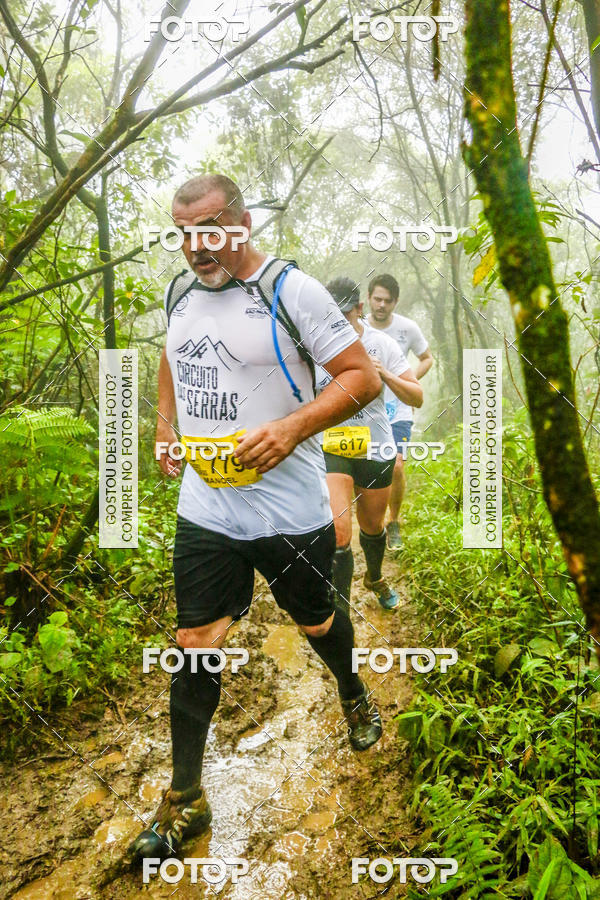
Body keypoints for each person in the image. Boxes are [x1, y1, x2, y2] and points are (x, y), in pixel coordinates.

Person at [129, 174, 384, 863]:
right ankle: (186, 800)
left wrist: (294, 428)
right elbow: (169, 360)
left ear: (241, 222)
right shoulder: (182, 294)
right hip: (207, 508)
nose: (195, 245)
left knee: (317, 621)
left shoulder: (288, 291)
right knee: (193, 643)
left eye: (209, 227)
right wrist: (163, 428)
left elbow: (362, 377)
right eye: (183, 232)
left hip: (288, 507)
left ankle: (352, 688)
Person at [317, 278, 423, 613]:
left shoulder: (382, 344)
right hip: (333, 444)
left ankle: (375, 577)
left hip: (376, 446)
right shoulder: (313, 345)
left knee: (373, 526)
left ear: (359, 310)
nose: (338, 324)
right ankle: (341, 616)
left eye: (345, 316)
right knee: (339, 532)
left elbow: (416, 396)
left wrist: (386, 376)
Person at [367, 274, 433, 550]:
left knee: (396, 464)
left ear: (395, 302)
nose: (381, 305)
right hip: (366, 410)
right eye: (377, 299)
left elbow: (427, 358)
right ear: (368, 299)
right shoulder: (355, 328)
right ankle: (368, 525)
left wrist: (408, 380)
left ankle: (393, 523)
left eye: (387, 301)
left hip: (399, 409)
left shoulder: (408, 328)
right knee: (366, 465)